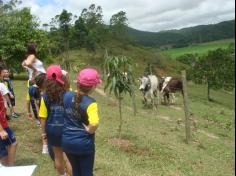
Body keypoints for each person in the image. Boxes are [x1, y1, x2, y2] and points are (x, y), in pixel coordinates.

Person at [62, 68, 101, 176]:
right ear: (93, 87)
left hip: (67, 142)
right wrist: (89, 130)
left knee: (76, 172)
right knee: (87, 173)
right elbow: (94, 123)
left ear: (78, 83)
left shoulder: (66, 95)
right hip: (83, 145)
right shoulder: (91, 103)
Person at [39, 65, 72, 176]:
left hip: (52, 130)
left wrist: (43, 133)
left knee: (57, 157)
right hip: (67, 129)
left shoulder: (45, 97)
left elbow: (43, 117)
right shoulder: (68, 94)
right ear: (62, 77)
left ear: (47, 80)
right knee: (68, 158)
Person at [21, 42, 46, 121]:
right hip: (39, 80)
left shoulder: (29, 56)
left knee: (38, 100)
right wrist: (36, 70)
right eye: (36, 47)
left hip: (36, 79)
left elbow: (23, 64)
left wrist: (31, 71)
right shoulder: (32, 56)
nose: (37, 49)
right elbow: (27, 64)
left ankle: (40, 118)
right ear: (33, 48)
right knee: (41, 99)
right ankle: (42, 117)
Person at [0, 81, 17, 166]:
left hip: (3, 123)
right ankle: (9, 168)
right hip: (2, 126)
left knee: (3, 150)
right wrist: (1, 130)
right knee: (13, 143)